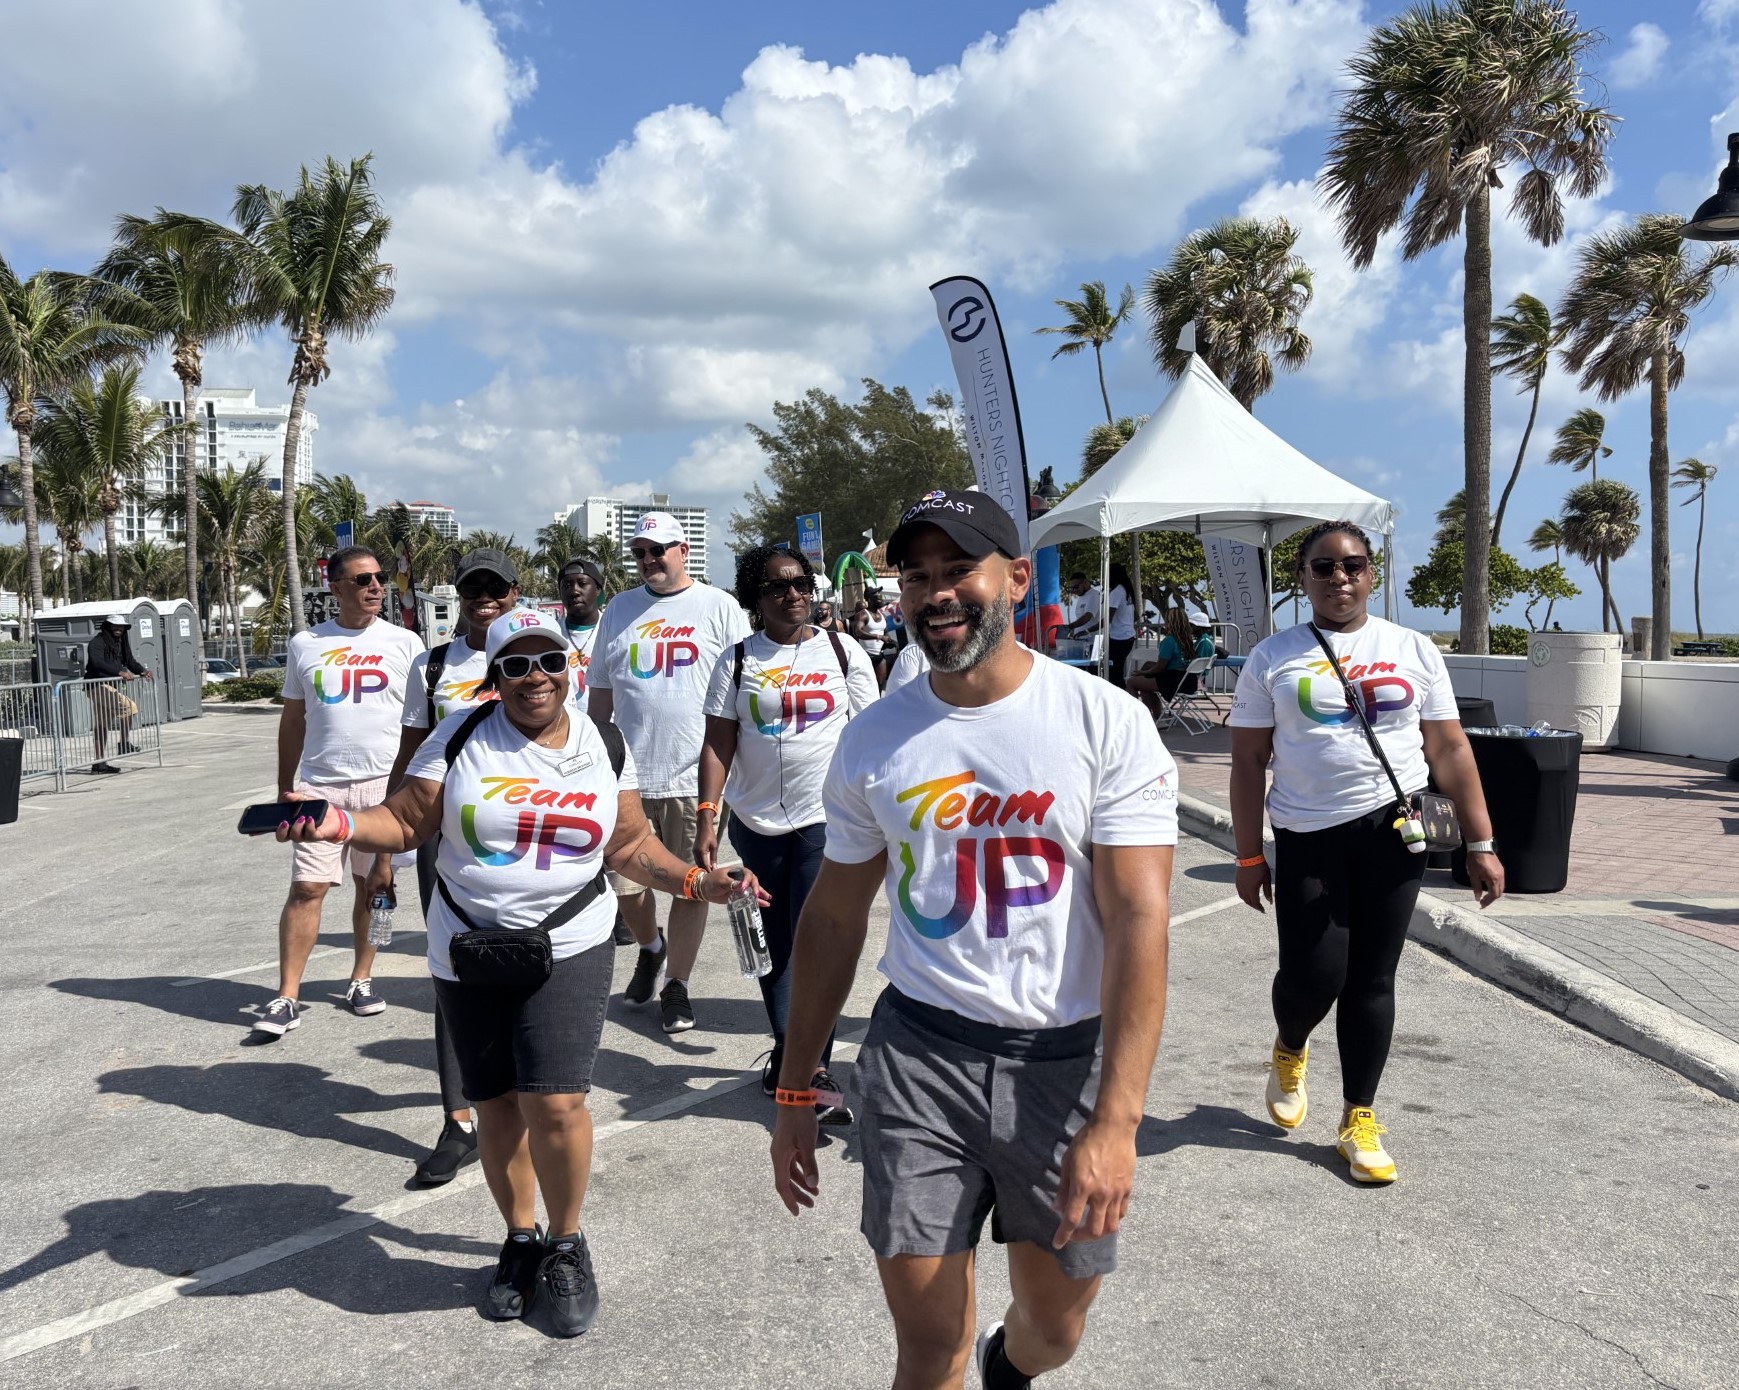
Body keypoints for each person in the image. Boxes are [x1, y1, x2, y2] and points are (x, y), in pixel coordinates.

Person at [770, 489, 1178, 1390]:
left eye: (959, 570)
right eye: (916, 576)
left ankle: (1012, 1366)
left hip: (1061, 1064)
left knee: (1053, 1327)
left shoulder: (1103, 721)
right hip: (919, 1057)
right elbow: (834, 918)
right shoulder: (875, 739)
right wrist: (796, 1089)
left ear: (1016, 579)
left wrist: (1117, 1121)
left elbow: (1139, 920)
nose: (936, 594)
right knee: (924, 1346)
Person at [278, 608, 766, 1336]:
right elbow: (409, 820)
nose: (533, 678)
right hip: (467, 945)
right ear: (494, 675)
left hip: (569, 943)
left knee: (557, 1103)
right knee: (498, 1104)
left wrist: (699, 882)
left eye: (547, 662)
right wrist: (337, 822)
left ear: (569, 666)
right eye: (514, 665)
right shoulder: (462, 733)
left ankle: (566, 1245)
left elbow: (629, 846)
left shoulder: (602, 740)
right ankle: (520, 1237)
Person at [1228, 520, 1504, 1185]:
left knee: (1372, 978)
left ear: (1372, 573)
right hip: (1306, 835)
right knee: (1313, 975)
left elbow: (1448, 749)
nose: (1338, 578)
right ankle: (1290, 1047)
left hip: (1393, 831)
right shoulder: (1273, 656)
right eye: (1322, 567)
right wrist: (1246, 856)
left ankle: (1358, 1119)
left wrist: (1480, 841)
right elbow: (1246, 761)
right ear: (1303, 579)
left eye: (1351, 565)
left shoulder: (1411, 648)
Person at [695, 544, 878, 1124]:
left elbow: (870, 737)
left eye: (802, 583)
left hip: (827, 822)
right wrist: (708, 811)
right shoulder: (738, 661)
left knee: (816, 937)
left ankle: (811, 1068)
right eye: (778, 586)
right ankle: (790, 1051)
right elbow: (719, 741)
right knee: (770, 942)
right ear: (756, 598)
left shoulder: (843, 652)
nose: (794, 594)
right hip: (755, 826)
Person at [389, 547, 522, 1186]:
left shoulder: (540, 657)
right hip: (444, 844)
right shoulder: (434, 663)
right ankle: (459, 1117)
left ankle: (521, 1098)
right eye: (473, 589)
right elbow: (412, 755)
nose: (483, 599)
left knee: (531, 967)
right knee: (452, 972)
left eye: (495, 588)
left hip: (525, 838)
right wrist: (387, 843)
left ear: (515, 593)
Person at [588, 511, 750, 1034]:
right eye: (639, 553)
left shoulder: (718, 607)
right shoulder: (618, 609)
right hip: (627, 779)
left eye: (658, 550)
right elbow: (600, 698)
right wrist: (592, 762)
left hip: (690, 776)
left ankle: (676, 985)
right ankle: (651, 947)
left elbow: (743, 690)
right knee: (625, 888)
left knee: (690, 884)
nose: (649, 561)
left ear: (683, 551)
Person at [257, 546, 423, 1038]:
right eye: (361, 580)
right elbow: (293, 720)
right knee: (307, 888)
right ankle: (287, 996)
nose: (374, 587)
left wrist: (411, 788)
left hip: (383, 785)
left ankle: (362, 978)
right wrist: (286, 787)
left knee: (376, 887)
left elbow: (418, 722)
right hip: (320, 784)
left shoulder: (406, 644)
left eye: (378, 579)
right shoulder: (306, 644)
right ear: (335, 588)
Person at [83, 614, 154, 773]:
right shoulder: (97, 642)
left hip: (109, 686)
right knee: (130, 707)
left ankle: (99, 764)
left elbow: (129, 661)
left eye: (121, 627)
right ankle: (124, 743)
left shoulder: (121, 643)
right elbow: (96, 662)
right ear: (107, 627)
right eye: (114, 626)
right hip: (96, 685)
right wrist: (119, 672)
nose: (118, 629)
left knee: (102, 724)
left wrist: (142, 671)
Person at [1103, 564, 1138, 686]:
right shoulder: (1127, 590)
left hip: (1119, 638)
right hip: (1128, 637)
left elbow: (1107, 619)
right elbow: (1136, 616)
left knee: (1114, 673)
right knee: (1117, 671)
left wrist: (1087, 630)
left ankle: (1121, 698)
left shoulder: (1117, 592)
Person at [1055, 572, 1100, 645]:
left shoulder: (1094, 595)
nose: (1074, 590)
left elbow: (1087, 617)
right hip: (1081, 641)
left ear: (1085, 582)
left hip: (1091, 642)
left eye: (1076, 587)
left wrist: (1070, 627)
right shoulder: (1082, 597)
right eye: (1071, 588)